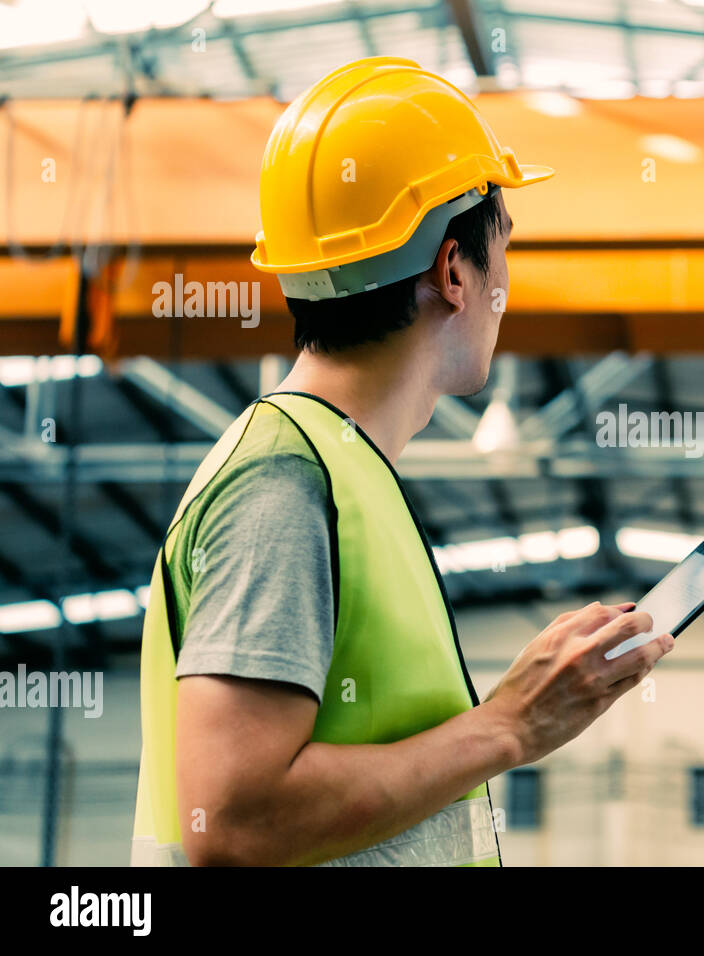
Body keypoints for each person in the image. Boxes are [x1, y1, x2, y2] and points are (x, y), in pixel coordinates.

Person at [131, 56, 673, 867]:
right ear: (453, 271)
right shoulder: (285, 481)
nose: (507, 285)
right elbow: (236, 821)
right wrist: (509, 725)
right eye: (504, 251)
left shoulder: (337, 473)